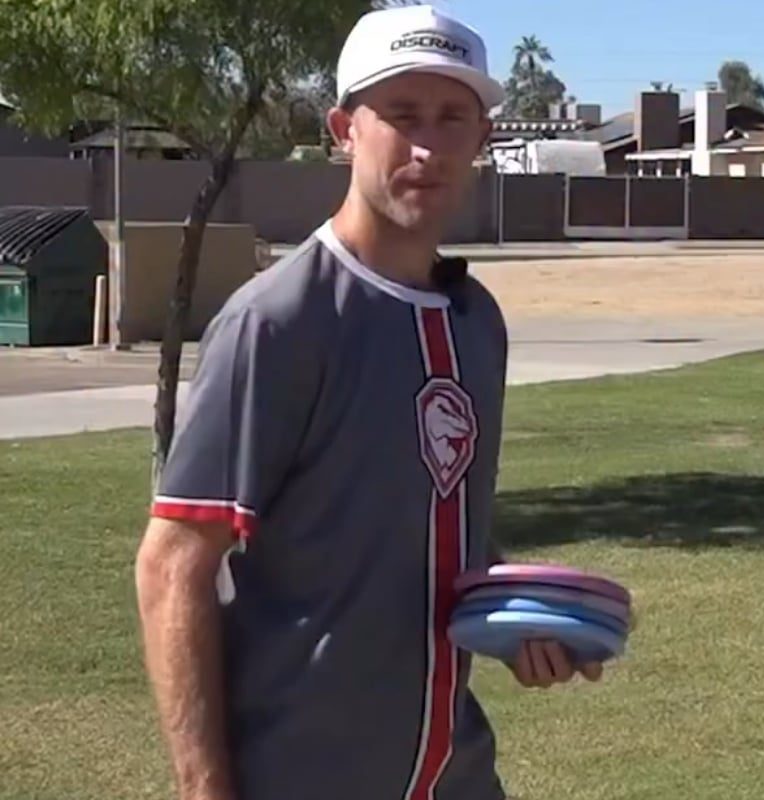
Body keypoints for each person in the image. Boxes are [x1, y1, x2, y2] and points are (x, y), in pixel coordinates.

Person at [134, 6, 607, 800]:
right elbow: (172, 565)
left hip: (454, 775)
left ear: (483, 137)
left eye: (452, 117)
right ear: (344, 130)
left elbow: (442, 534)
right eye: (401, 114)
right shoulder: (278, 322)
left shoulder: (475, 321)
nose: (427, 146)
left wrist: (529, 618)